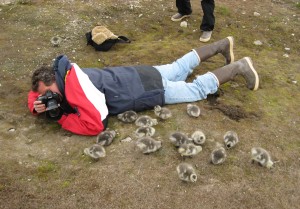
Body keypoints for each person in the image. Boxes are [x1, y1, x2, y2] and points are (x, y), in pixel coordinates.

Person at [28, 36, 259, 136]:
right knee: (178, 66)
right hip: (141, 72)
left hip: (145, 91)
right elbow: (34, 92)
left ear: (51, 83)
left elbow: (96, 124)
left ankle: (239, 67)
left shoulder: (77, 90)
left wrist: (59, 117)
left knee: (196, 89)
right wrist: (38, 104)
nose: (47, 100)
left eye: (46, 95)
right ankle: (221, 45)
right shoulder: (65, 72)